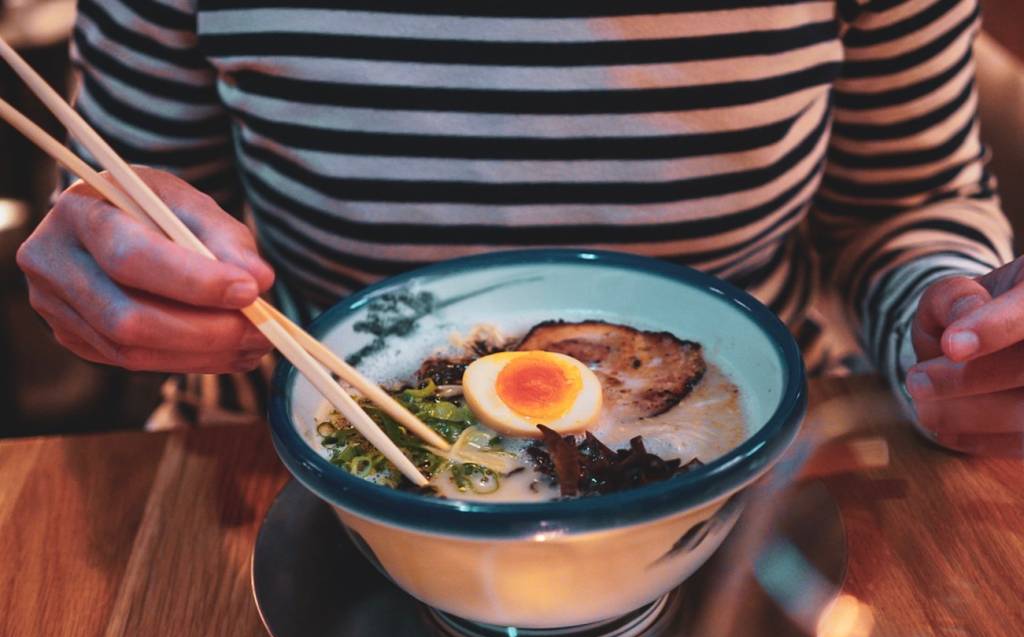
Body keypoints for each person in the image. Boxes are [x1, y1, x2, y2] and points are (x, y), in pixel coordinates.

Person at [13, 0, 1020, 454]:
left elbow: (901, 202)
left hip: (760, 459)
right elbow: (138, 194)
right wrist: (112, 262)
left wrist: (944, 328)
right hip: (286, 448)